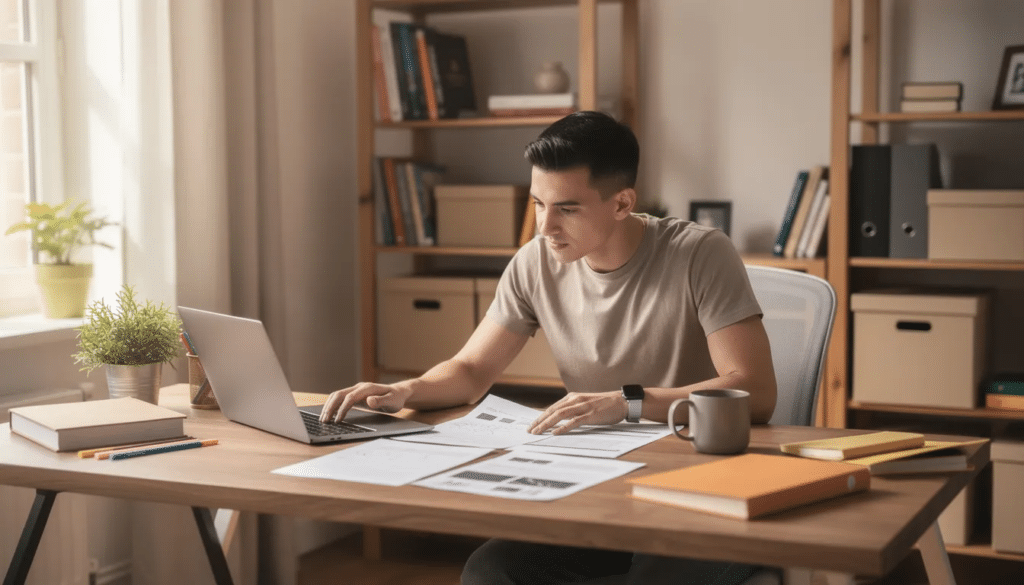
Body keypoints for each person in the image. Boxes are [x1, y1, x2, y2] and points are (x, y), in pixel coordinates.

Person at [320, 110, 777, 584]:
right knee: (490, 572)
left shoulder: (700, 254)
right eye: (539, 203)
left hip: (698, 487)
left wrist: (628, 403)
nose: (545, 226)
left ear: (622, 203)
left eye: (567, 208)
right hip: (599, 488)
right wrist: (406, 391)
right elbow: (472, 369)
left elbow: (755, 391)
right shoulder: (535, 262)